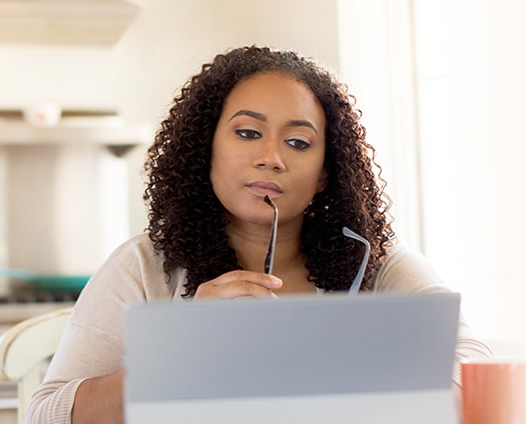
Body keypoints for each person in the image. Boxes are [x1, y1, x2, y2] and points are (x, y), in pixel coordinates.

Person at [26, 46, 493, 423]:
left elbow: (473, 369)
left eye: (298, 143)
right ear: (205, 148)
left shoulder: (375, 260)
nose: (272, 157)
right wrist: (180, 351)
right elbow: (46, 415)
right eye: (248, 133)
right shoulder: (145, 266)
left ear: (326, 172)